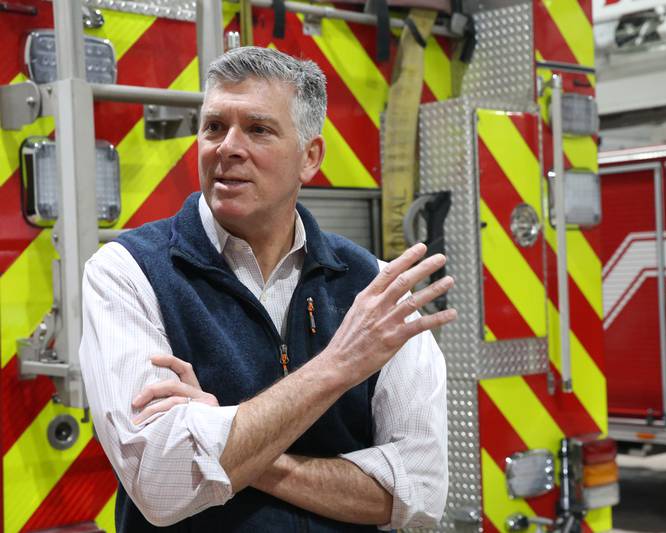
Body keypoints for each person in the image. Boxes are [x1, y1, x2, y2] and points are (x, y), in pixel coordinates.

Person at [79, 46, 456, 532]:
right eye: (214, 127)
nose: (227, 147)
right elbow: (161, 484)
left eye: (258, 129)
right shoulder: (128, 273)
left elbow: (419, 495)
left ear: (310, 157)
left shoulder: (377, 292)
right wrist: (338, 367)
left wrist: (230, 446)